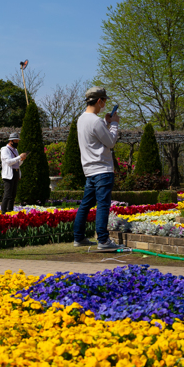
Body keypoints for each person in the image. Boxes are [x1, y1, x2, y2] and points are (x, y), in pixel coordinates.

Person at [72, 86, 123, 251]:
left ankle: (79, 237)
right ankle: (103, 240)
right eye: (105, 101)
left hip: (89, 170)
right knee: (103, 205)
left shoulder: (81, 119)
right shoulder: (96, 121)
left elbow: (97, 138)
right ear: (99, 100)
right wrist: (114, 124)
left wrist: (107, 123)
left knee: (86, 204)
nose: (105, 104)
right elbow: (110, 142)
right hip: (102, 169)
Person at [0, 132, 28, 213]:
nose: (16, 143)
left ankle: (10, 210)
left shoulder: (15, 150)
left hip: (15, 172)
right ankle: (3, 211)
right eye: (15, 141)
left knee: (13, 195)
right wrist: (19, 157)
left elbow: (17, 163)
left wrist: (21, 160)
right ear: (11, 141)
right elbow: (8, 162)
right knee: (7, 194)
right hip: (8, 174)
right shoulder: (5, 150)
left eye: (17, 141)